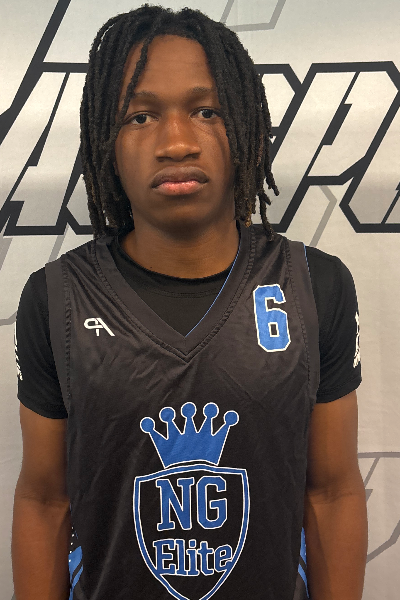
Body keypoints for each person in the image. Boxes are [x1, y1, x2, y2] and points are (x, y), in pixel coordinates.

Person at [12, 5, 367, 600]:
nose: (176, 142)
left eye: (206, 111)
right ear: (105, 141)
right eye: (140, 116)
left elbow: (332, 493)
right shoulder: (56, 298)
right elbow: (45, 500)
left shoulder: (315, 284)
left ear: (246, 127)